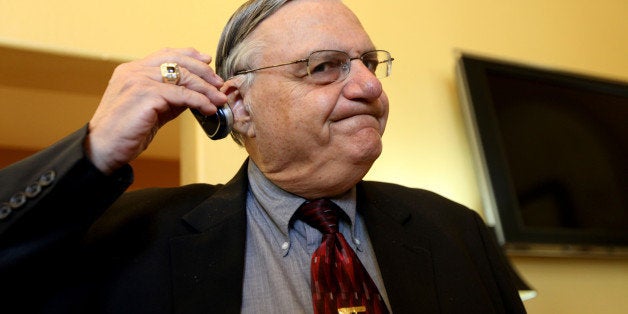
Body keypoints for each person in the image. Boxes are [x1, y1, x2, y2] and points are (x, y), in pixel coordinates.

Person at [0, 0, 526, 313]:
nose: (368, 84)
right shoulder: (130, 238)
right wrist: (91, 153)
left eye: (368, 62)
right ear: (239, 106)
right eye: (325, 66)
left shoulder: (459, 231)